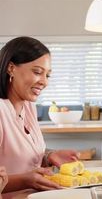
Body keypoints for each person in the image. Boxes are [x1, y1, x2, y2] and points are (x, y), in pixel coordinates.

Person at [0, 36, 79, 195]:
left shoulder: (28, 106)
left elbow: (22, 158)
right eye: (37, 72)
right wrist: (25, 180)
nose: (44, 82)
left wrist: (49, 156)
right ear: (11, 68)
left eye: (47, 75)